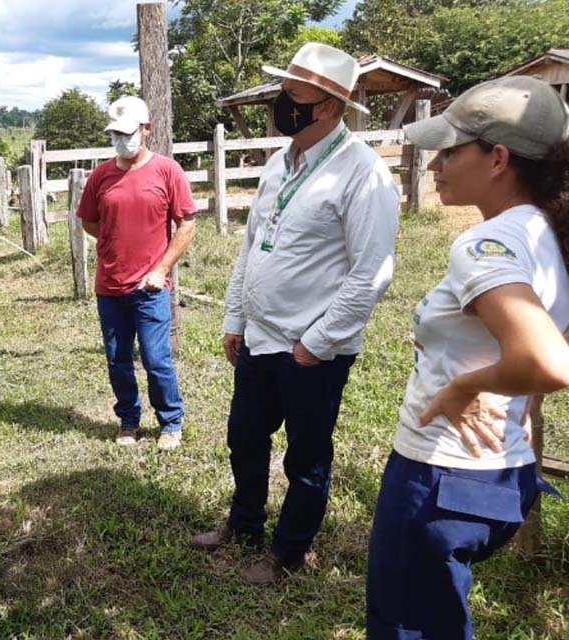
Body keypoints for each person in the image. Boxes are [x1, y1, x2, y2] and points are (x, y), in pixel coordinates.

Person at [365, 75, 569, 640]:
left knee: (409, 625)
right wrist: (519, 388)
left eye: (451, 150)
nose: (435, 165)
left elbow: (550, 360)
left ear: (498, 157)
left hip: (441, 475)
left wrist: (466, 386)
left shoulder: (487, 246)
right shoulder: (549, 231)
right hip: (504, 473)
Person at [191, 42, 400, 583]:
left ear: (328, 105)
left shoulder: (364, 174)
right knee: (244, 436)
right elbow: (252, 245)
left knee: (306, 457)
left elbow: (372, 271)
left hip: (311, 349)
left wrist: (317, 343)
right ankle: (244, 522)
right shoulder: (279, 164)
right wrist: (235, 317)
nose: (281, 103)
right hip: (259, 338)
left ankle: (288, 552)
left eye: (292, 94)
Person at [76, 96, 198, 451]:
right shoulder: (101, 176)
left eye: (128, 133)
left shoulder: (167, 171)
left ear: (147, 130)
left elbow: (186, 224)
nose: (121, 140)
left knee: (156, 358)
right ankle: (128, 421)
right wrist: (115, 241)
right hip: (110, 286)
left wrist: (161, 268)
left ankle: (170, 422)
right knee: (117, 359)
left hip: (150, 287)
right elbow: (88, 220)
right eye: (115, 134)